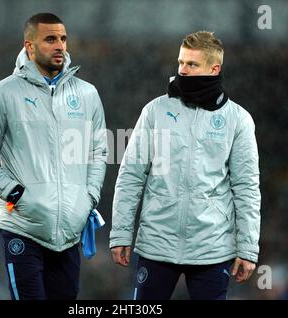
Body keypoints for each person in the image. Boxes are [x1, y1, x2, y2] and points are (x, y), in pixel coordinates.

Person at [0, 13, 108, 300]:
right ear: (29, 46)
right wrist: (14, 192)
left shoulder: (87, 94)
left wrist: (88, 198)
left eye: (63, 39)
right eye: (50, 39)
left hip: (69, 234)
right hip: (22, 228)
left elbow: (98, 152)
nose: (60, 46)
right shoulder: (1, 94)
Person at [110, 31, 261, 300]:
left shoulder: (238, 120)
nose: (183, 70)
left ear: (214, 69)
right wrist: (121, 232)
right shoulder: (155, 111)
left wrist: (247, 249)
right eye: (181, 63)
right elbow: (131, 175)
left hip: (212, 249)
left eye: (192, 64)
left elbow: (247, 188)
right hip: (157, 244)